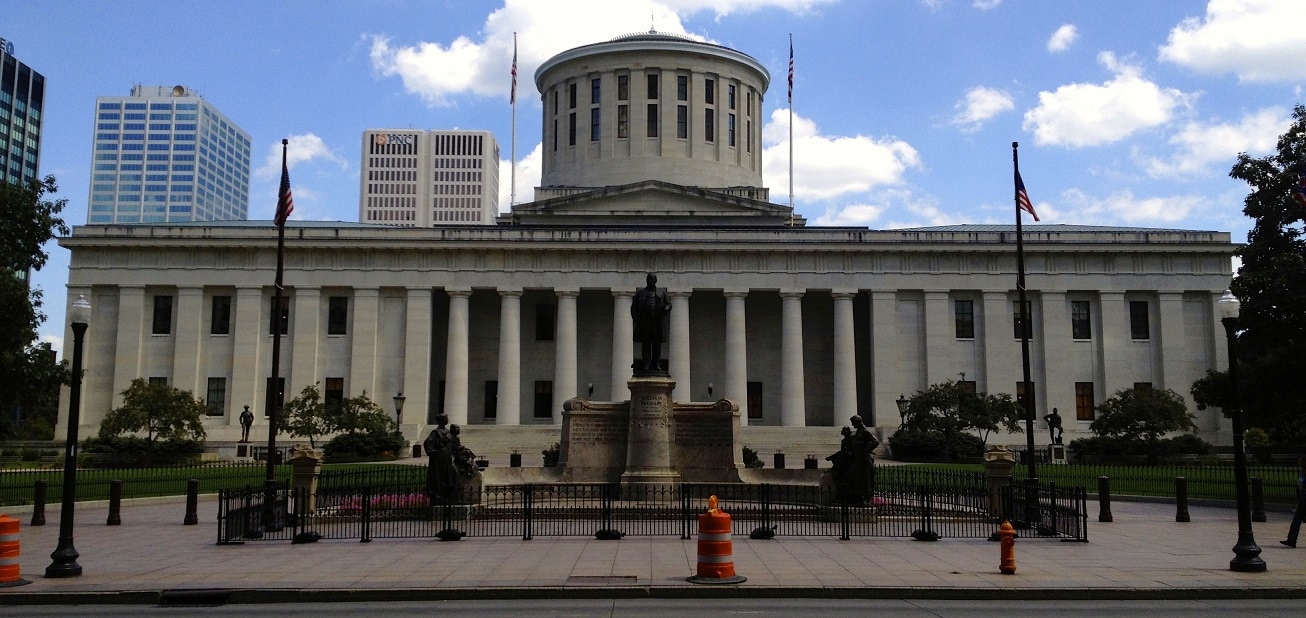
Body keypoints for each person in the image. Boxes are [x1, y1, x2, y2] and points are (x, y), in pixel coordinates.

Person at [630, 273, 671, 372]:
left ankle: (657, 364)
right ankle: (646, 364)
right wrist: (636, 319)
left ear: (655, 281)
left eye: (652, 279)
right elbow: (633, 307)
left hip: (657, 323)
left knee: (657, 344)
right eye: (649, 279)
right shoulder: (641, 293)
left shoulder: (662, 293)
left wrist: (665, 308)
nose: (650, 281)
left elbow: (669, 304)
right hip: (645, 322)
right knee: (646, 344)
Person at [423, 414, 459, 503]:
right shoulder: (436, 432)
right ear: (442, 420)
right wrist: (435, 452)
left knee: (452, 475)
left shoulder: (448, 432)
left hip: (448, 458)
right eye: (446, 419)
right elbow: (427, 443)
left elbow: (453, 445)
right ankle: (439, 496)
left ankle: (450, 495)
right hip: (440, 458)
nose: (448, 420)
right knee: (439, 477)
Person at [1281, 456, 1306, 548]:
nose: (1299, 464)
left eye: (1301, 462)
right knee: (1296, 521)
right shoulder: (1302, 473)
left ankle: (1291, 540)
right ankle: (1291, 540)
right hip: (1302, 500)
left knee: (1296, 521)